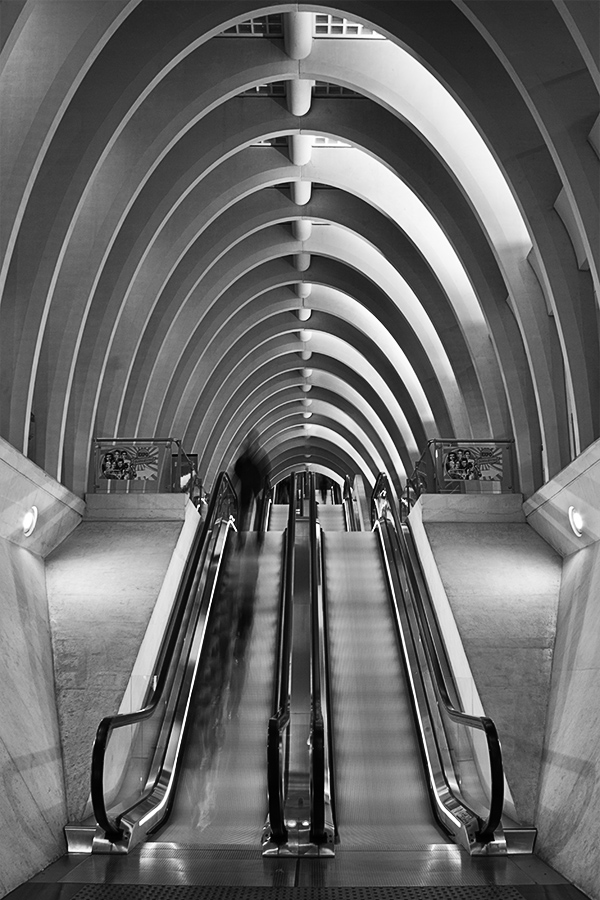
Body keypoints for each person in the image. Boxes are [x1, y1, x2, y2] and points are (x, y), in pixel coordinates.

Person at [233, 430, 270, 533]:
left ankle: (259, 534)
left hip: (257, 486)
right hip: (247, 486)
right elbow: (237, 468)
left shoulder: (256, 454)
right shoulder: (248, 455)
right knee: (245, 510)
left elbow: (266, 470)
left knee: (258, 510)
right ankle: (242, 535)